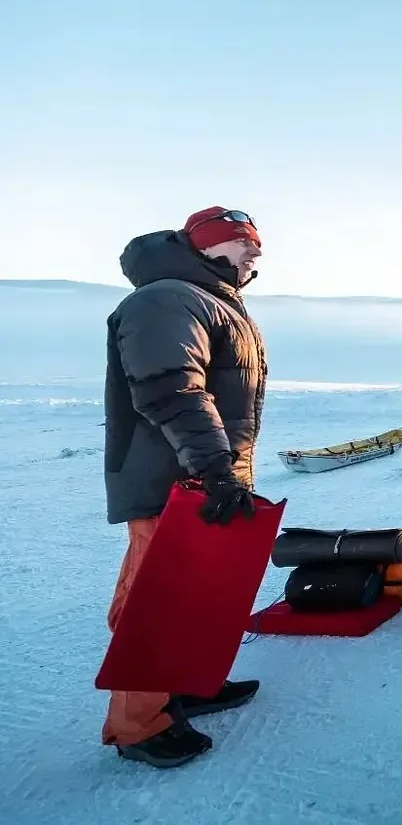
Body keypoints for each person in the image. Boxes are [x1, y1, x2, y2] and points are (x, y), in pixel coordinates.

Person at [101, 207, 268, 768]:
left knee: (198, 594)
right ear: (208, 243)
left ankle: (186, 684)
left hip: (207, 475)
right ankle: (138, 725)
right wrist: (214, 467)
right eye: (244, 242)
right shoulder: (167, 298)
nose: (256, 253)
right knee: (155, 598)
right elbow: (172, 390)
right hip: (171, 478)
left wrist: (224, 472)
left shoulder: (213, 301)